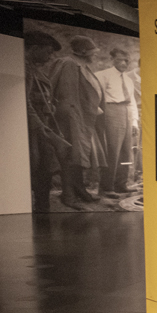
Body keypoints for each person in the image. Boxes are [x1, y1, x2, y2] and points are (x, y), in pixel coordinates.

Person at [51, 35, 105, 210]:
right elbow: (68, 96)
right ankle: (68, 196)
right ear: (82, 52)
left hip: (82, 117)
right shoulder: (69, 64)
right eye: (92, 52)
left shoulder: (82, 65)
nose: (95, 55)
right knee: (70, 155)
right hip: (71, 117)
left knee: (80, 155)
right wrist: (75, 120)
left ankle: (80, 189)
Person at [24, 31, 67, 212]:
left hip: (41, 125)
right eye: (48, 52)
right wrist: (41, 127)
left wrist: (51, 106)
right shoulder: (24, 70)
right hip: (33, 129)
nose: (50, 57)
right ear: (34, 48)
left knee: (44, 169)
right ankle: (39, 211)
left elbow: (39, 97)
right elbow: (25, 103)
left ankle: (42, 208)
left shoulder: (34, 69)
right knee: (37, 169)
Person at [95, 48, 136, 198]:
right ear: (112, 59)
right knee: (112, 150)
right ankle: (106, 187)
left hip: (126, 113)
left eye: (127, 60)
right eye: (120, 60)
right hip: (111, 111)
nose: (124, 63)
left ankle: (121, 184)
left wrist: (135, 122)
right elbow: (96, 97)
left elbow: (131, 102)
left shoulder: (128, 80)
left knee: (126, 151)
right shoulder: (103, 75)